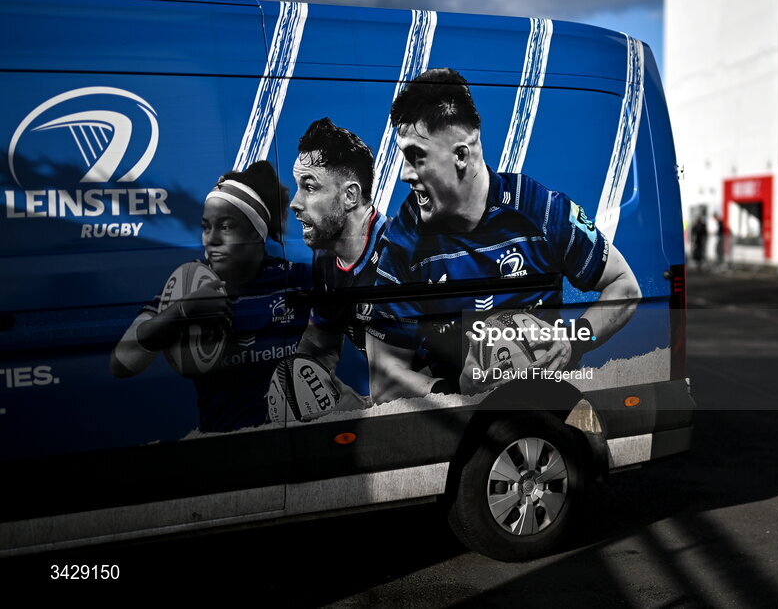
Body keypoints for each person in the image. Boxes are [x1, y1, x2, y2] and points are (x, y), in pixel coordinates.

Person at [366, 67, 642, 402]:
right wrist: (458, 392)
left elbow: (625, 286)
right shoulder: (403, 242)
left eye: (416, 157)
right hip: (461, 424)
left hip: (548, 411)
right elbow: (384, 380)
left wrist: (573, 341)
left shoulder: (540, 210)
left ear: (461, 155)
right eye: (403, 157)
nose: (405, 175)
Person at [111, 161, 312, 432]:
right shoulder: (189, 281)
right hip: (220, 442)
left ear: (257, 233)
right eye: (206, 227)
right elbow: (122, 363)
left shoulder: (295, 278)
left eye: (225, 227)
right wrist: (182, 311)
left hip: (291, 437)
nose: (211, 239)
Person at [289, 118, 386, 407]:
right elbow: (319, 343)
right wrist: (303, 383)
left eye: (309, 187)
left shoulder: (402, 254)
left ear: (350, 196)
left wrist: (367, 409)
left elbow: (451, 365)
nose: (295, 203)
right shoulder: (325, 256)